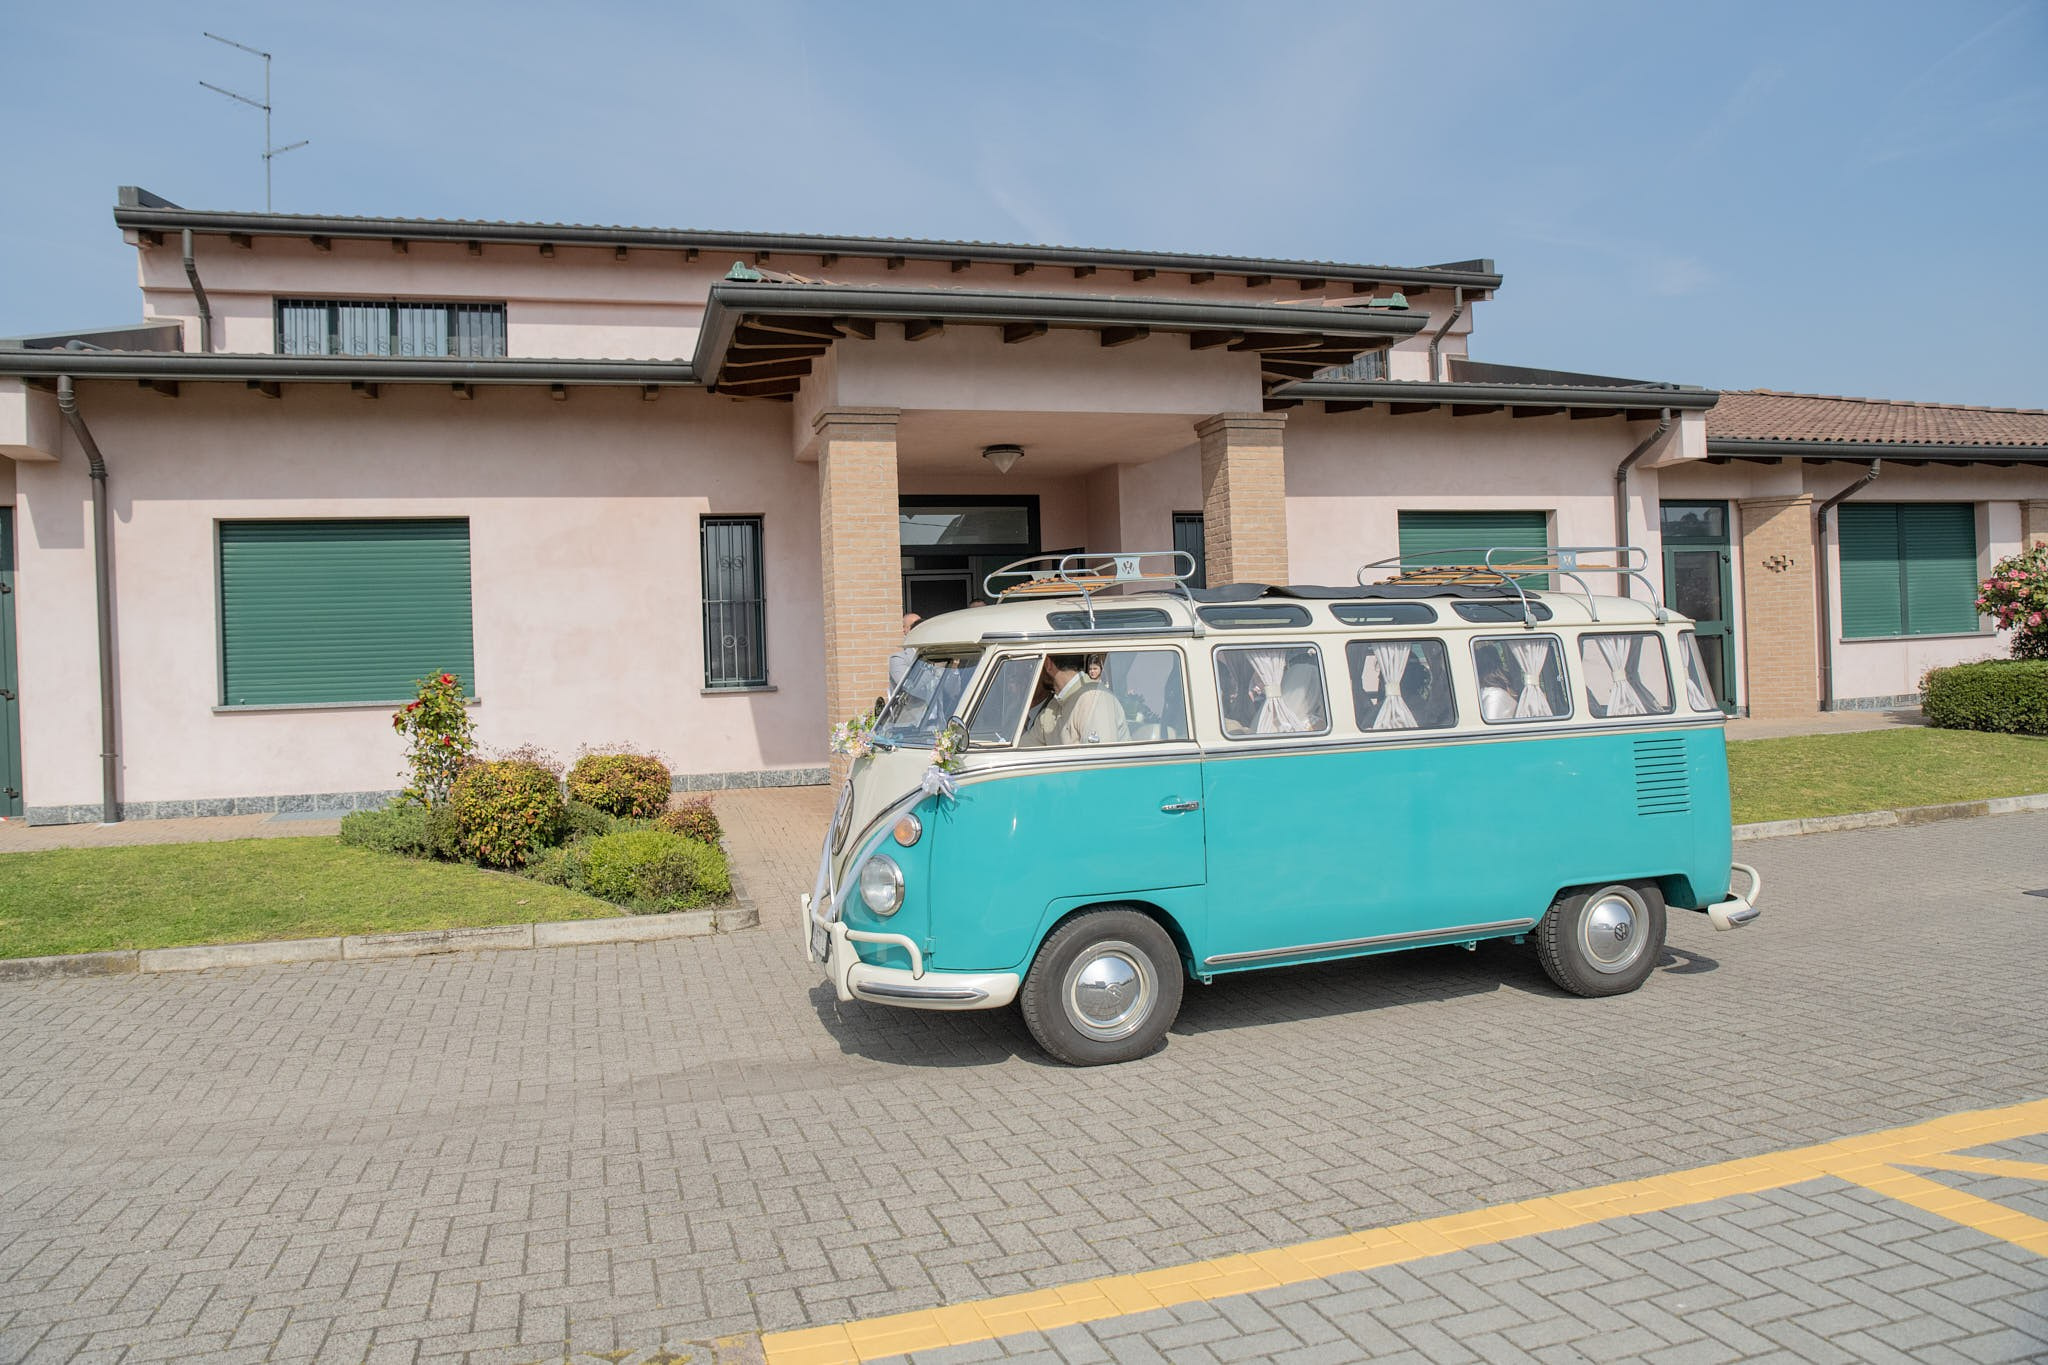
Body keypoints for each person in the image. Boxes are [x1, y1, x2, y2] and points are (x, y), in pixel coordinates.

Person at [1020, 654, 1127, 747]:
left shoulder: (1094, 697)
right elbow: (1022, 749)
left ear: (1047, 664)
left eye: (1033, 665)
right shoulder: (1053, 707)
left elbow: (1100, 762)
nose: (1029, 675)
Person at [886, 613, 921, 693]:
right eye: (914, 626)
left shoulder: (932, 654)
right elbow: (909, 687)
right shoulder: (898, 659)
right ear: (904, 630)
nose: (919, 629)